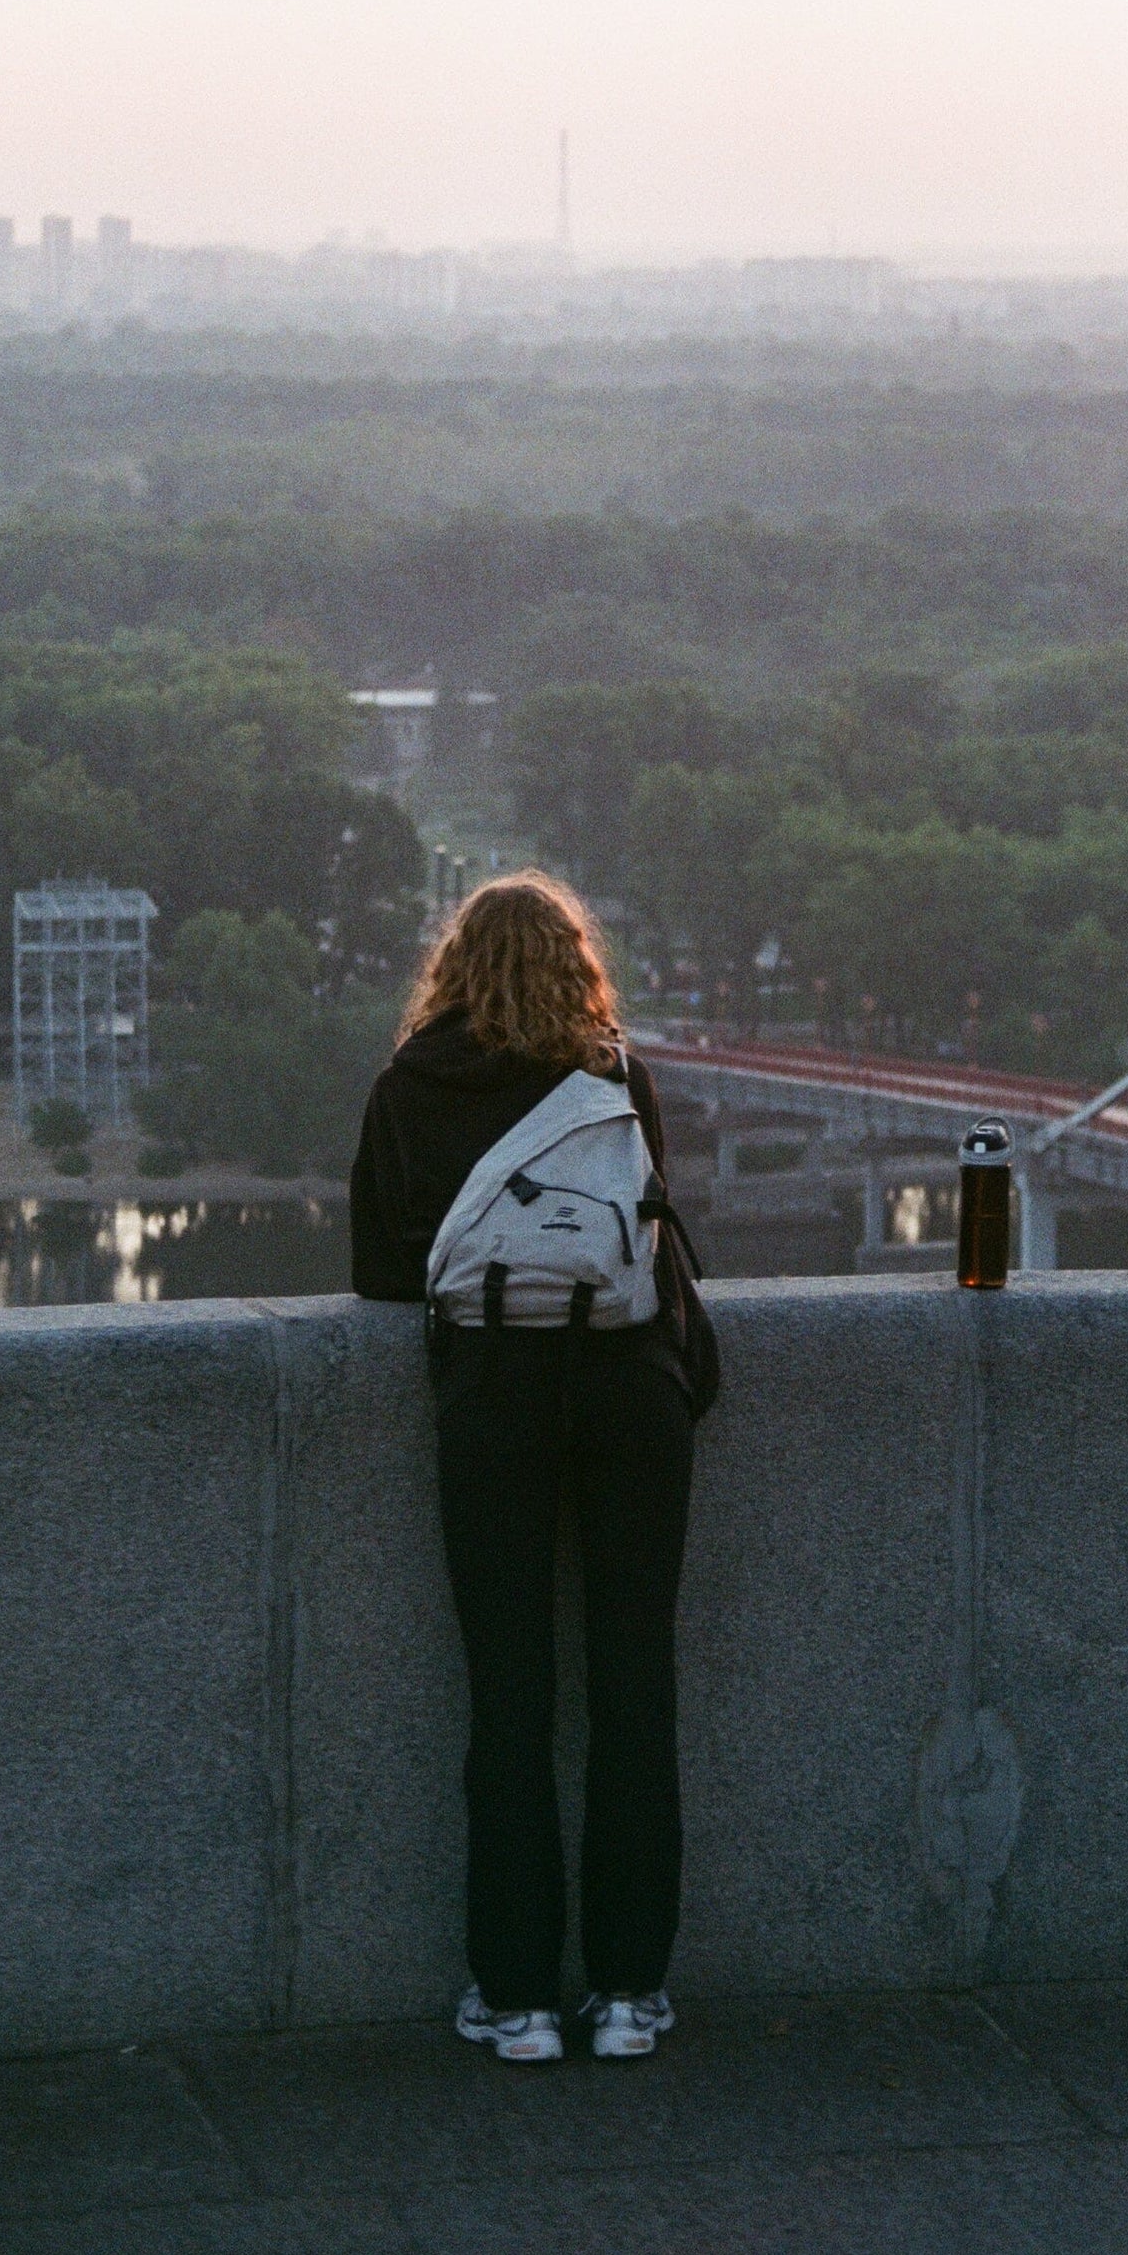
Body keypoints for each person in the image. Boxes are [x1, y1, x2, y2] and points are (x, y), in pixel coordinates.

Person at [351, 870, 695, 2066]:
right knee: (632, 1686)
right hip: (628, 1397)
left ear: (451, 966)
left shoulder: (408, 1087)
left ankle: (517, 1999)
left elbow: (385, 1273)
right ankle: (629, 1994)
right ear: (574, 963)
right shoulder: (610, 1079)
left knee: (508, 1699)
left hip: (494, 1396)